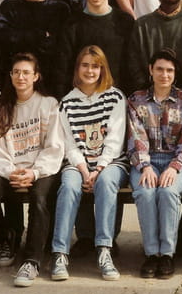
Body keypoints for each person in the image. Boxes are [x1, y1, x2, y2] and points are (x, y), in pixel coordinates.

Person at [0, 52, 63, 286]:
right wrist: (10, 172)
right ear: (10, 75)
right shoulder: (1, 106)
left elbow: (54, 146)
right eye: (16, 72)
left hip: (41, 169)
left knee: (39, 197)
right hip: (11, 168)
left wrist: (34, 172)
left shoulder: (48, 104)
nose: (21, 77)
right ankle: (6, 237)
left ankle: (32, 260)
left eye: (26, 72)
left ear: (36, 76)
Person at [49, 45, 129, 281]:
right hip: (79, 164)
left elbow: (115, 140)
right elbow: (69, 145)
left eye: (96, 66)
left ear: (103, 69)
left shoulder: (115, 97)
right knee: (69, 186)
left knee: (106, 182)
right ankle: (60, 253)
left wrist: (99, 168)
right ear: (77, 68)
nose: (90, 71)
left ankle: (104, 249)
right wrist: (85, 171)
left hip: (111, 162)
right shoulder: (66, 103)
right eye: (85, 65)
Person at [128, 49, 182, 279]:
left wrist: (174, 167)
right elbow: (136, 137)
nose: (164, 75)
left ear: (175, 73)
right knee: (145, 192)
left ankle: (167, 253)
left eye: (169, 70)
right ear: (150, 70)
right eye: (159, 69)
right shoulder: (136, 100)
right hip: (145, 161)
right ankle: (151, 254)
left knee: (168, 192)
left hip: (176, 162)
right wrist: (145, 166)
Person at [0, 0, 71, 97]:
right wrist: (40, 36)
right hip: (15, 81)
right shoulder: (9, 7)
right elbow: (0, 39)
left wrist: (18, 38)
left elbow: (60, 48)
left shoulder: (59, 10)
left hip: (50, 82)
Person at [56, 0, 135, 97]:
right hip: (83, 99)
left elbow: (131, 66)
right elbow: (62, 70)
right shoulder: (72, 25)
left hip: (117, 99)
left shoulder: (125, 22)